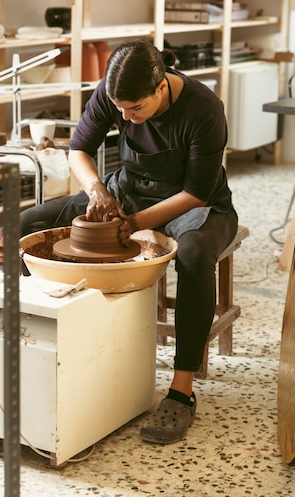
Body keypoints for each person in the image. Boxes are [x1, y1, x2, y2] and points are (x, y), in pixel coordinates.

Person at [20, 39, 238, 445]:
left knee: (193, 254)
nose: (126, 117)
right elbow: (79, 148)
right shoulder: (114, 91)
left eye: (135, 109)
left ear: (161, 87)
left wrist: (135, 223)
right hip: (130, 192)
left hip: (196, 203)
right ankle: (33, 349)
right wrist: (97, 191)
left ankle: (181, 390)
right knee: (27, 224)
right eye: (119, 109)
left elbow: (197, 193)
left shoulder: (204, 109)